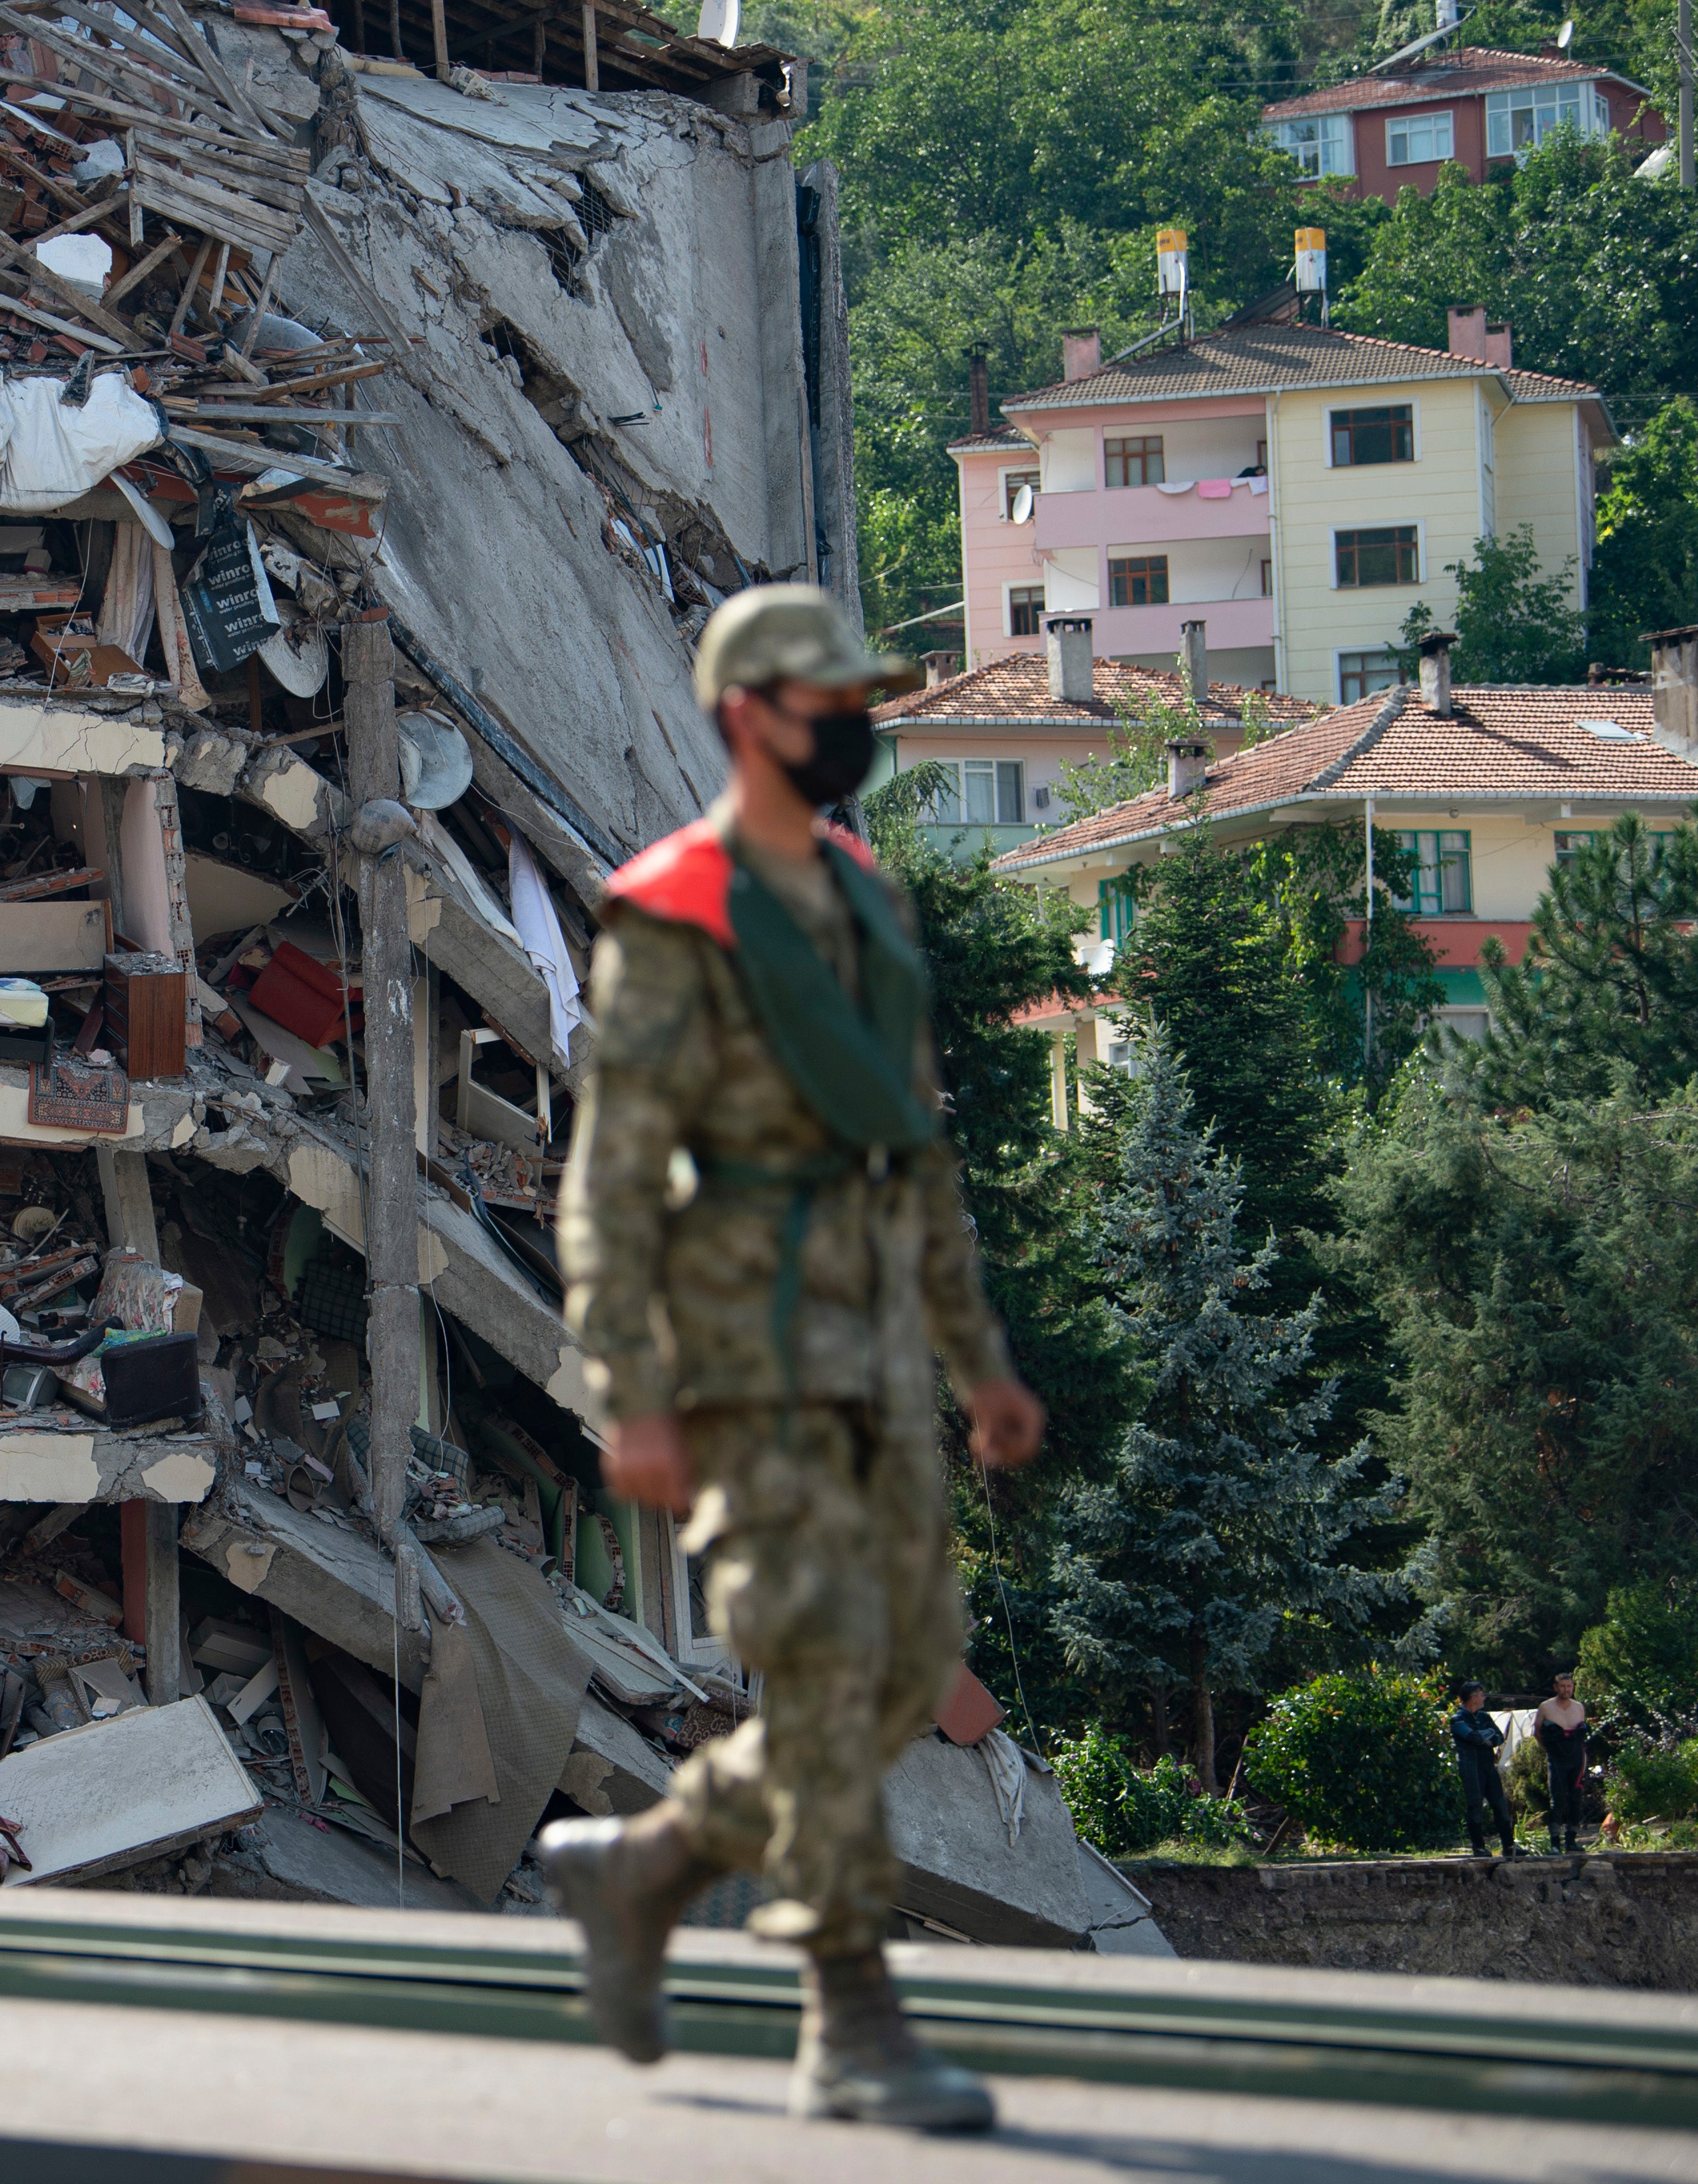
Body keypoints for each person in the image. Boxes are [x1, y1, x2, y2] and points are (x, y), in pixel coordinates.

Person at [539, 585, 1045, 2134]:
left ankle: (647, 1863)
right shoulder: (673, 909)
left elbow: (917, 1149)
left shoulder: (867, 901)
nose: (858, 729)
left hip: (879, 1343)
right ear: (752, 713)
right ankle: (848, 2016)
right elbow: (614, 1168)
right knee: (825, 1657)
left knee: (900, 1675)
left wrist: (976, 1357)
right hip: (745, 1342)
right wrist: (625, 1384)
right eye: (831, 701)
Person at [1455, 1683, 1522, 1858]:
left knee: (1500, 1804)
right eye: (1481, 1695)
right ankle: (1479, 1847)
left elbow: (1499, 1737)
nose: (1484, 1698)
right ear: (1473, 1697)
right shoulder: (1458, 1719)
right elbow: (1473, 1737)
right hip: (1471, 1766)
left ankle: (1508, 1846)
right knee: (1475, 1805)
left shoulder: (1484, 1716)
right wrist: (1487, 1735)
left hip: (1488, 1765)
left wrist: (1487, 1736)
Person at [1534, 1671, 1591, 1854]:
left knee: (1576, 1798)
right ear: (1556, 1687)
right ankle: (1555, 1843)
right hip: (1556, 1757)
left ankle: (1572, 1841)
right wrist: (1550, 1750)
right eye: (1563, 1686)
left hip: (1576, 1756)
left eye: (1569, 1686)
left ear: (1573, 1687)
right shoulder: (1546, 1707)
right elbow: (1537, 1733)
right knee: (1558, 1800)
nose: (1566, 1690)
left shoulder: (1579, 1707)